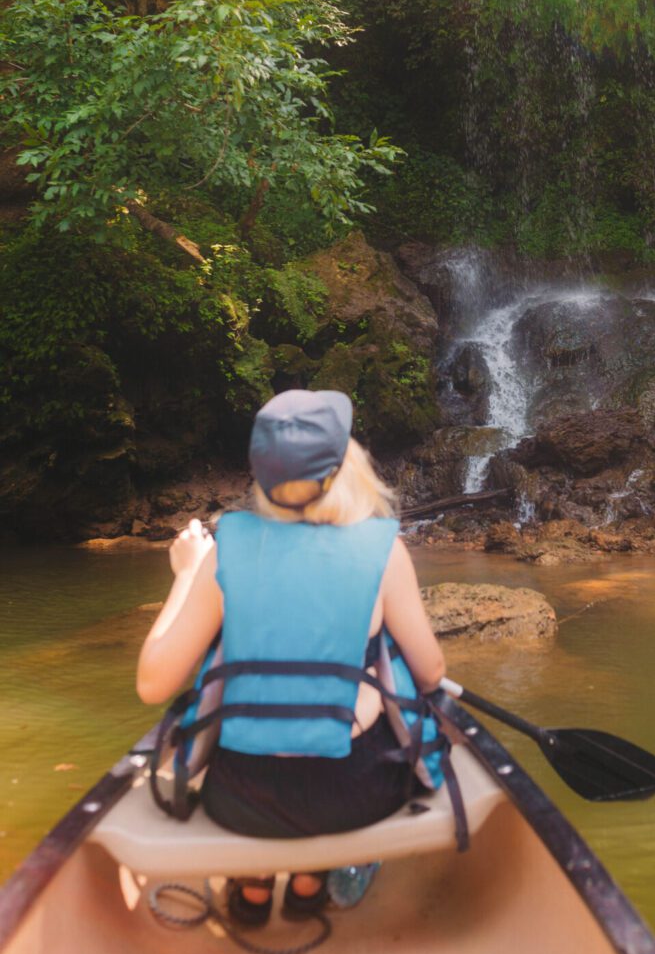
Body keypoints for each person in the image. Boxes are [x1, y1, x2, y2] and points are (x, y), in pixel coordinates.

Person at [137, 388, 447, 925]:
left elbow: (153, 685)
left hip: (242, 797)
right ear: (347, 466)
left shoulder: (222, 552)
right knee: (384, 657)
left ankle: (253, 890)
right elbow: (432, 672)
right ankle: (309, 885)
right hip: (356, 794)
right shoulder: (384, 548)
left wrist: (187, 577)